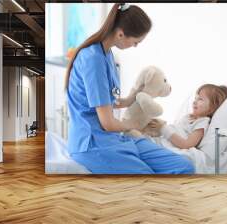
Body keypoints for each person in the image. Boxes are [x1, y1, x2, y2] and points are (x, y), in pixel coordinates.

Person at [65, 3, 194, 174]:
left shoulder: (107, 54)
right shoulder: (93, 59)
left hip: (114, 138)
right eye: (135, 42)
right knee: (147, 179)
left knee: (185, 166)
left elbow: (110, 102)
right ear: (120, 34)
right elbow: (108, 123)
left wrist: (135, 94)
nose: (136, 46)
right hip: (92, 143)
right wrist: (134, 124)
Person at [148, 84, 227, 150]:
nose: (195, 101)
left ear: (211, 108)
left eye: (200, 99)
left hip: (163, 146)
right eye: (195, 98)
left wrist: (163, 129)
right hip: (160, 140)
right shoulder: (188, 117)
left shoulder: (202, 123)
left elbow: (186, 144)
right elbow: (177, 130)